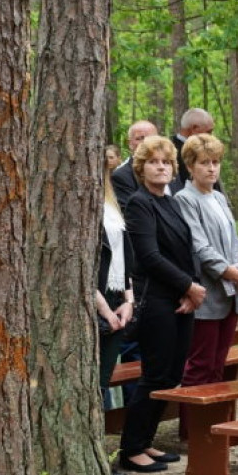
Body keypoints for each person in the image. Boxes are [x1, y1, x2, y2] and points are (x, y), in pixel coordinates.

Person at [118, 135, 206, 474]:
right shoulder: (140, 203)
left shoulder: (171, 203)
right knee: (154, 374)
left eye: (167, 162)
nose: (161, 167)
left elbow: (189, 248)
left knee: (171, 375)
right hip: (154, 299)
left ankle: (147, 441)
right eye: (154, 162)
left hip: (180, 300)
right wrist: (187, 286)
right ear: (141, 168)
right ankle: (131, 448)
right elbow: (149, 256)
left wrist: (190, 289)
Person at [174, 133, 238, 436]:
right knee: (199, 365)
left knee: (218, 365)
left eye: (216, 162)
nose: (212, 169)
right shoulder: (184, 199)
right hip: (207, 295)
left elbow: (234, 241)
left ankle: (213, 425)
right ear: (190, 166)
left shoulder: (219, 196)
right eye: (205, 163)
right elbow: (201, 249)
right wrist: (236, 275)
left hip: (231, 294)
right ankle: (193, 429)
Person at [96, 169, 134, 410]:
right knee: (93, 383)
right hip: (95, 299)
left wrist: (128, 300)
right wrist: (104, 310)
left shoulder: (112, 205)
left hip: (117, 296)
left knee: (102, 380)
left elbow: (124, 256)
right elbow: (80, 269)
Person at [112, 120, 158, 209]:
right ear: (130, 144)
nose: (146, 142)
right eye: (140, 138)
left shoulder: (170, 172)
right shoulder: (121, 177)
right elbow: (132, 214)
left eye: (151, 138)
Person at [171, 108, 216, 189]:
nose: (211, 136)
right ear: (194, 129)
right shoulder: (170, 152)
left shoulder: (205, 149)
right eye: (208, 132)